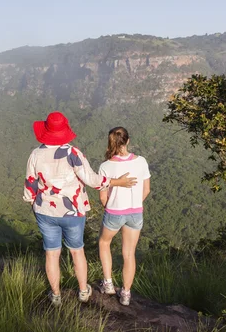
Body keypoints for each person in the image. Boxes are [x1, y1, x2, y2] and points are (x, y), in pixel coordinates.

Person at [23, 112, 137, 306]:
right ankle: (83, 291)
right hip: (73, 211)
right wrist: (118, 182)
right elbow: (92, 180)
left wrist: (35, 204)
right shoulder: (73, 153)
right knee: (77, 251)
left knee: (51, 253)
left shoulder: (36, 154)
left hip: (45, 211)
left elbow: (30, 186)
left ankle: (56, 295)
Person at [97, 127, 151, 306]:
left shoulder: (105, 166)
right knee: (129, 253)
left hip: (114, 212)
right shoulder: (141, 162)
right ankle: (126, 294)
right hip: (135, 212)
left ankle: (109, 284)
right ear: (128, 141)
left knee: (104, 243)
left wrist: (113, 206)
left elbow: (103, 197)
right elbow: (146, 190)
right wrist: (134, 204)